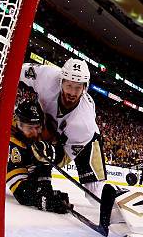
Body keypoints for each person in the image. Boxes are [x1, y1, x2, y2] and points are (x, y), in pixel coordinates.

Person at [18, 58, 106, 203]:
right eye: (69, 85)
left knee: (95, 194)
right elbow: (15, 70)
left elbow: (65, 157)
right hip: (45, 125)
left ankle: (119, 198)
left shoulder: (84, 124)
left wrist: (49, 154)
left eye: (78, 87)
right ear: (61, 81)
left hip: (86, 141)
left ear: (85, 87)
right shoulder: (46, 76)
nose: (72, 92)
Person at [6, 100, 70, 214]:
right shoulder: (12, 142)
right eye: (30, 128)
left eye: (37, 127)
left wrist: (46, 191)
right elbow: (21, 192)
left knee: (42, 154)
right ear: (19, 124)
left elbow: (45, 164)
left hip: (26, 159)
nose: (35, 133)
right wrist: (43, 201)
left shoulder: (42, 131)